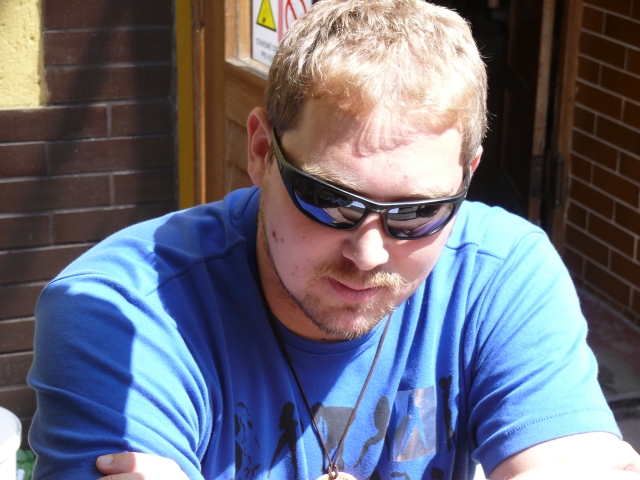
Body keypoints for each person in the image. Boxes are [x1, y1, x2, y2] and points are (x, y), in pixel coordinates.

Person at [28, 0, 640, 479]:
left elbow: (577, 464)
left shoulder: (501, 271)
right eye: (329, 200)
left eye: (418, 212)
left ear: (468, 176)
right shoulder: (120, 311)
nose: (368, 255)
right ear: (261, 151)